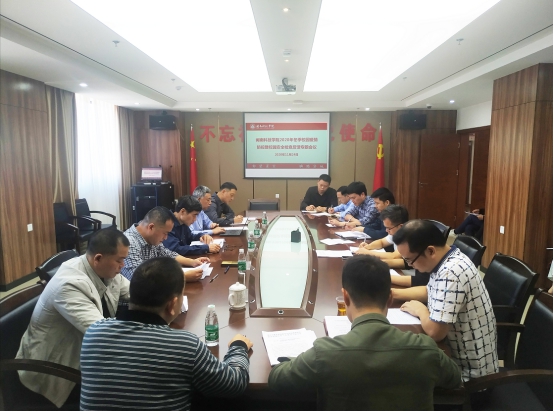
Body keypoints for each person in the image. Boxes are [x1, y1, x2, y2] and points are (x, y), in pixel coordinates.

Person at [268, 255, 461, 410]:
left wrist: (299, 359)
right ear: (390, 298)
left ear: (345, 297)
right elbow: (454, 379)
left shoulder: (325, 353)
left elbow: (277, 380)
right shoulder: (426, 349)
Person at [80, 257, 252, 410]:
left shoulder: (94, 333)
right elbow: (234, 384)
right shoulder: (185, 345)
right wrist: (238, 346)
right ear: (172, 304)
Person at [16, 229, 131, 408]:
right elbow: (103, 333)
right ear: (98, 258)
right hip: (54, 370)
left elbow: (135, 292)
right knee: (127, 389)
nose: (123, 265)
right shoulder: (69, 284)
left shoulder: (103, 269)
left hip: (82, 353)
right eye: (119, 260)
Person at [394, 220, 498, 381]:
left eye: (410, 260)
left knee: (398, 375)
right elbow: (430, 290)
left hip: (468, 375)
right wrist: (393, 294)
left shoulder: (451, 273)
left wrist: (420, 310)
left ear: (430, 251)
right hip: (453, 356)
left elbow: (436, 333)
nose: (410, 265)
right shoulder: (448, 258)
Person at [121, 206, 208, 282]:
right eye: (165, 233)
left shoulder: (151, 238)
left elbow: (167, 254)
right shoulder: (128, 243)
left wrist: (192, 262)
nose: (166, 238)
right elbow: (137, 280)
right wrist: (182, 277)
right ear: (151, 227)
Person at [355, 204, 408, 270]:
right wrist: (368, 247)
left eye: (389, 228)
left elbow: (394, 256)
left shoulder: (409, 237)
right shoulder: (396, 232)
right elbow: (381, 242)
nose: (386, 230)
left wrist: (368, 253)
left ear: (400, 226)